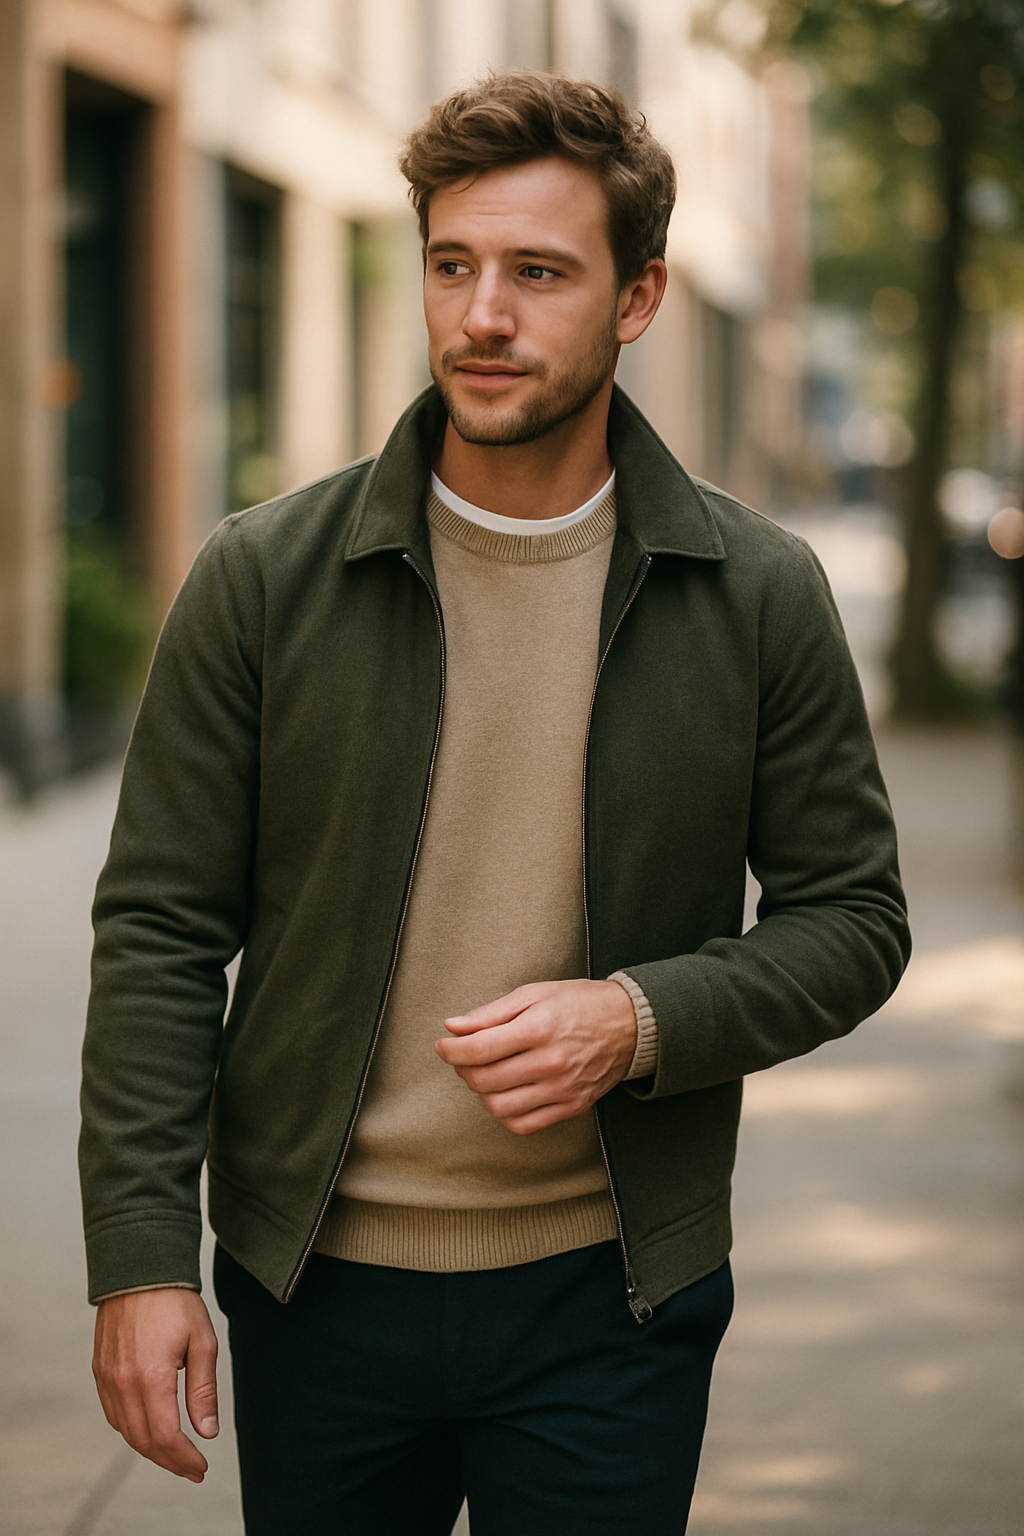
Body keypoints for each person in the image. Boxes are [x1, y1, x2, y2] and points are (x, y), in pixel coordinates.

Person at [80, 70, 910, 1536]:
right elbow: (160, 928)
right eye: (453, 265)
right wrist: (142, 1260)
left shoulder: (757, 591)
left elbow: (853, 919)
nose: (482, 315)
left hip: (613, 1293)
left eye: (538, 272)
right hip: (316, 1286)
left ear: (638, 296)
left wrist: (639, 1019)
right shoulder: (263, 579)